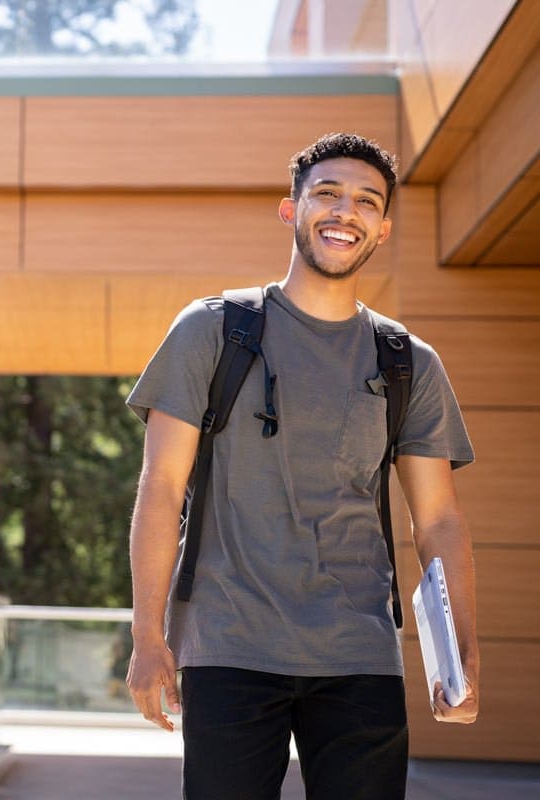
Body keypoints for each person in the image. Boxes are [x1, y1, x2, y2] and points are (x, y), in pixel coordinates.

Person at [123, 132, 480, 800]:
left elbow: (438, 521)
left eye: (367, 202)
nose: (346, 211)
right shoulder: (213, 331)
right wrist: (148, 638)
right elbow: (161, 488)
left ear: (383, 228)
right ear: (291, 209)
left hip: (359, 654)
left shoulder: (410, 362)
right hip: (229, 644)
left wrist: (462, 652)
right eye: (327, 193)